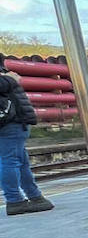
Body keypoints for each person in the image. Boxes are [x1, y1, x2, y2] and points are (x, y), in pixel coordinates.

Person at [0, 75, 54, 216]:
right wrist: (11, 79)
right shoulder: (6, 79)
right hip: (10, 123)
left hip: (11, 123)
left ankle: (34, 196)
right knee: (10, 161)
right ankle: (14, 201)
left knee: (21, 162)